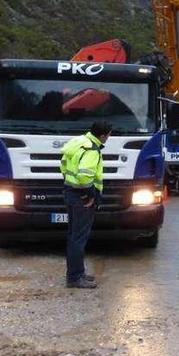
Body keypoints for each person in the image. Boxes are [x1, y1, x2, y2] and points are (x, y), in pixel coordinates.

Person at [59, 121, 112, 289]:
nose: (109, 137)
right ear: (103, 136)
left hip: (70, 193)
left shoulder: (79, 141)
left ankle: (77, 273)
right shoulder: (92, 150)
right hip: (82, 197)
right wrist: (86, 195)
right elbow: (84, 177)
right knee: (78, 238)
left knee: (73, 236)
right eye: (109, 135)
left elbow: (64, 165)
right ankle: (75, 278)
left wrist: (71, 185)